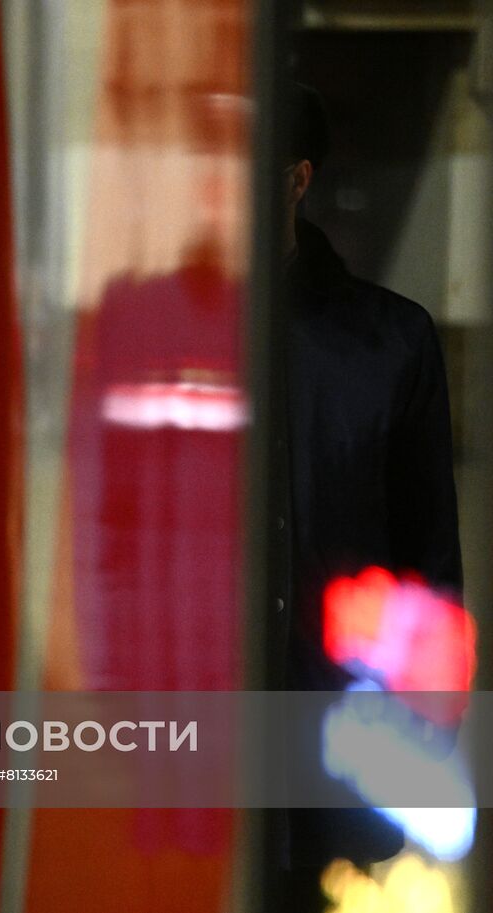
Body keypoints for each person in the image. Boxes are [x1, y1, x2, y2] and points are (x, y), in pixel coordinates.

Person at [275, 81, 463, 911]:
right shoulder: (146, 332)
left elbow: (430, 564)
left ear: (297, 179)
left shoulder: (393, 344)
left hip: (341, 754)